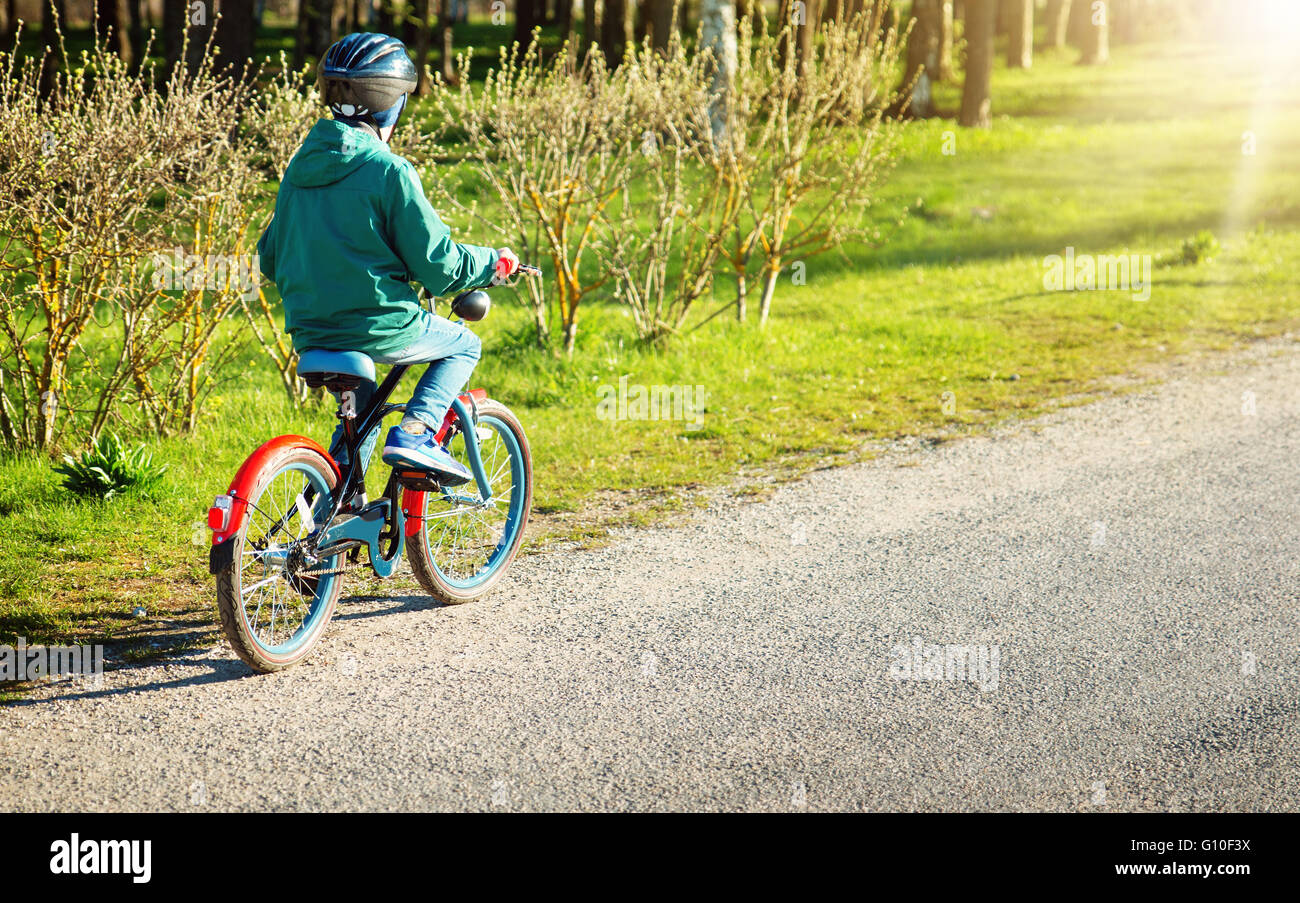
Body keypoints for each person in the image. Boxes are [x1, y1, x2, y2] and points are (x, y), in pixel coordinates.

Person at [257, 32, 518, 485]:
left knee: (365, 413)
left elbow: (269, 256)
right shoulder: (389, 170)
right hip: (378, 326)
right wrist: (491, 262)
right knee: (464, 345)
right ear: (390, 103)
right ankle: (416, 434)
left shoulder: (299, 169)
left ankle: (329, 519)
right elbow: (438, 266)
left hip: (311, 331)